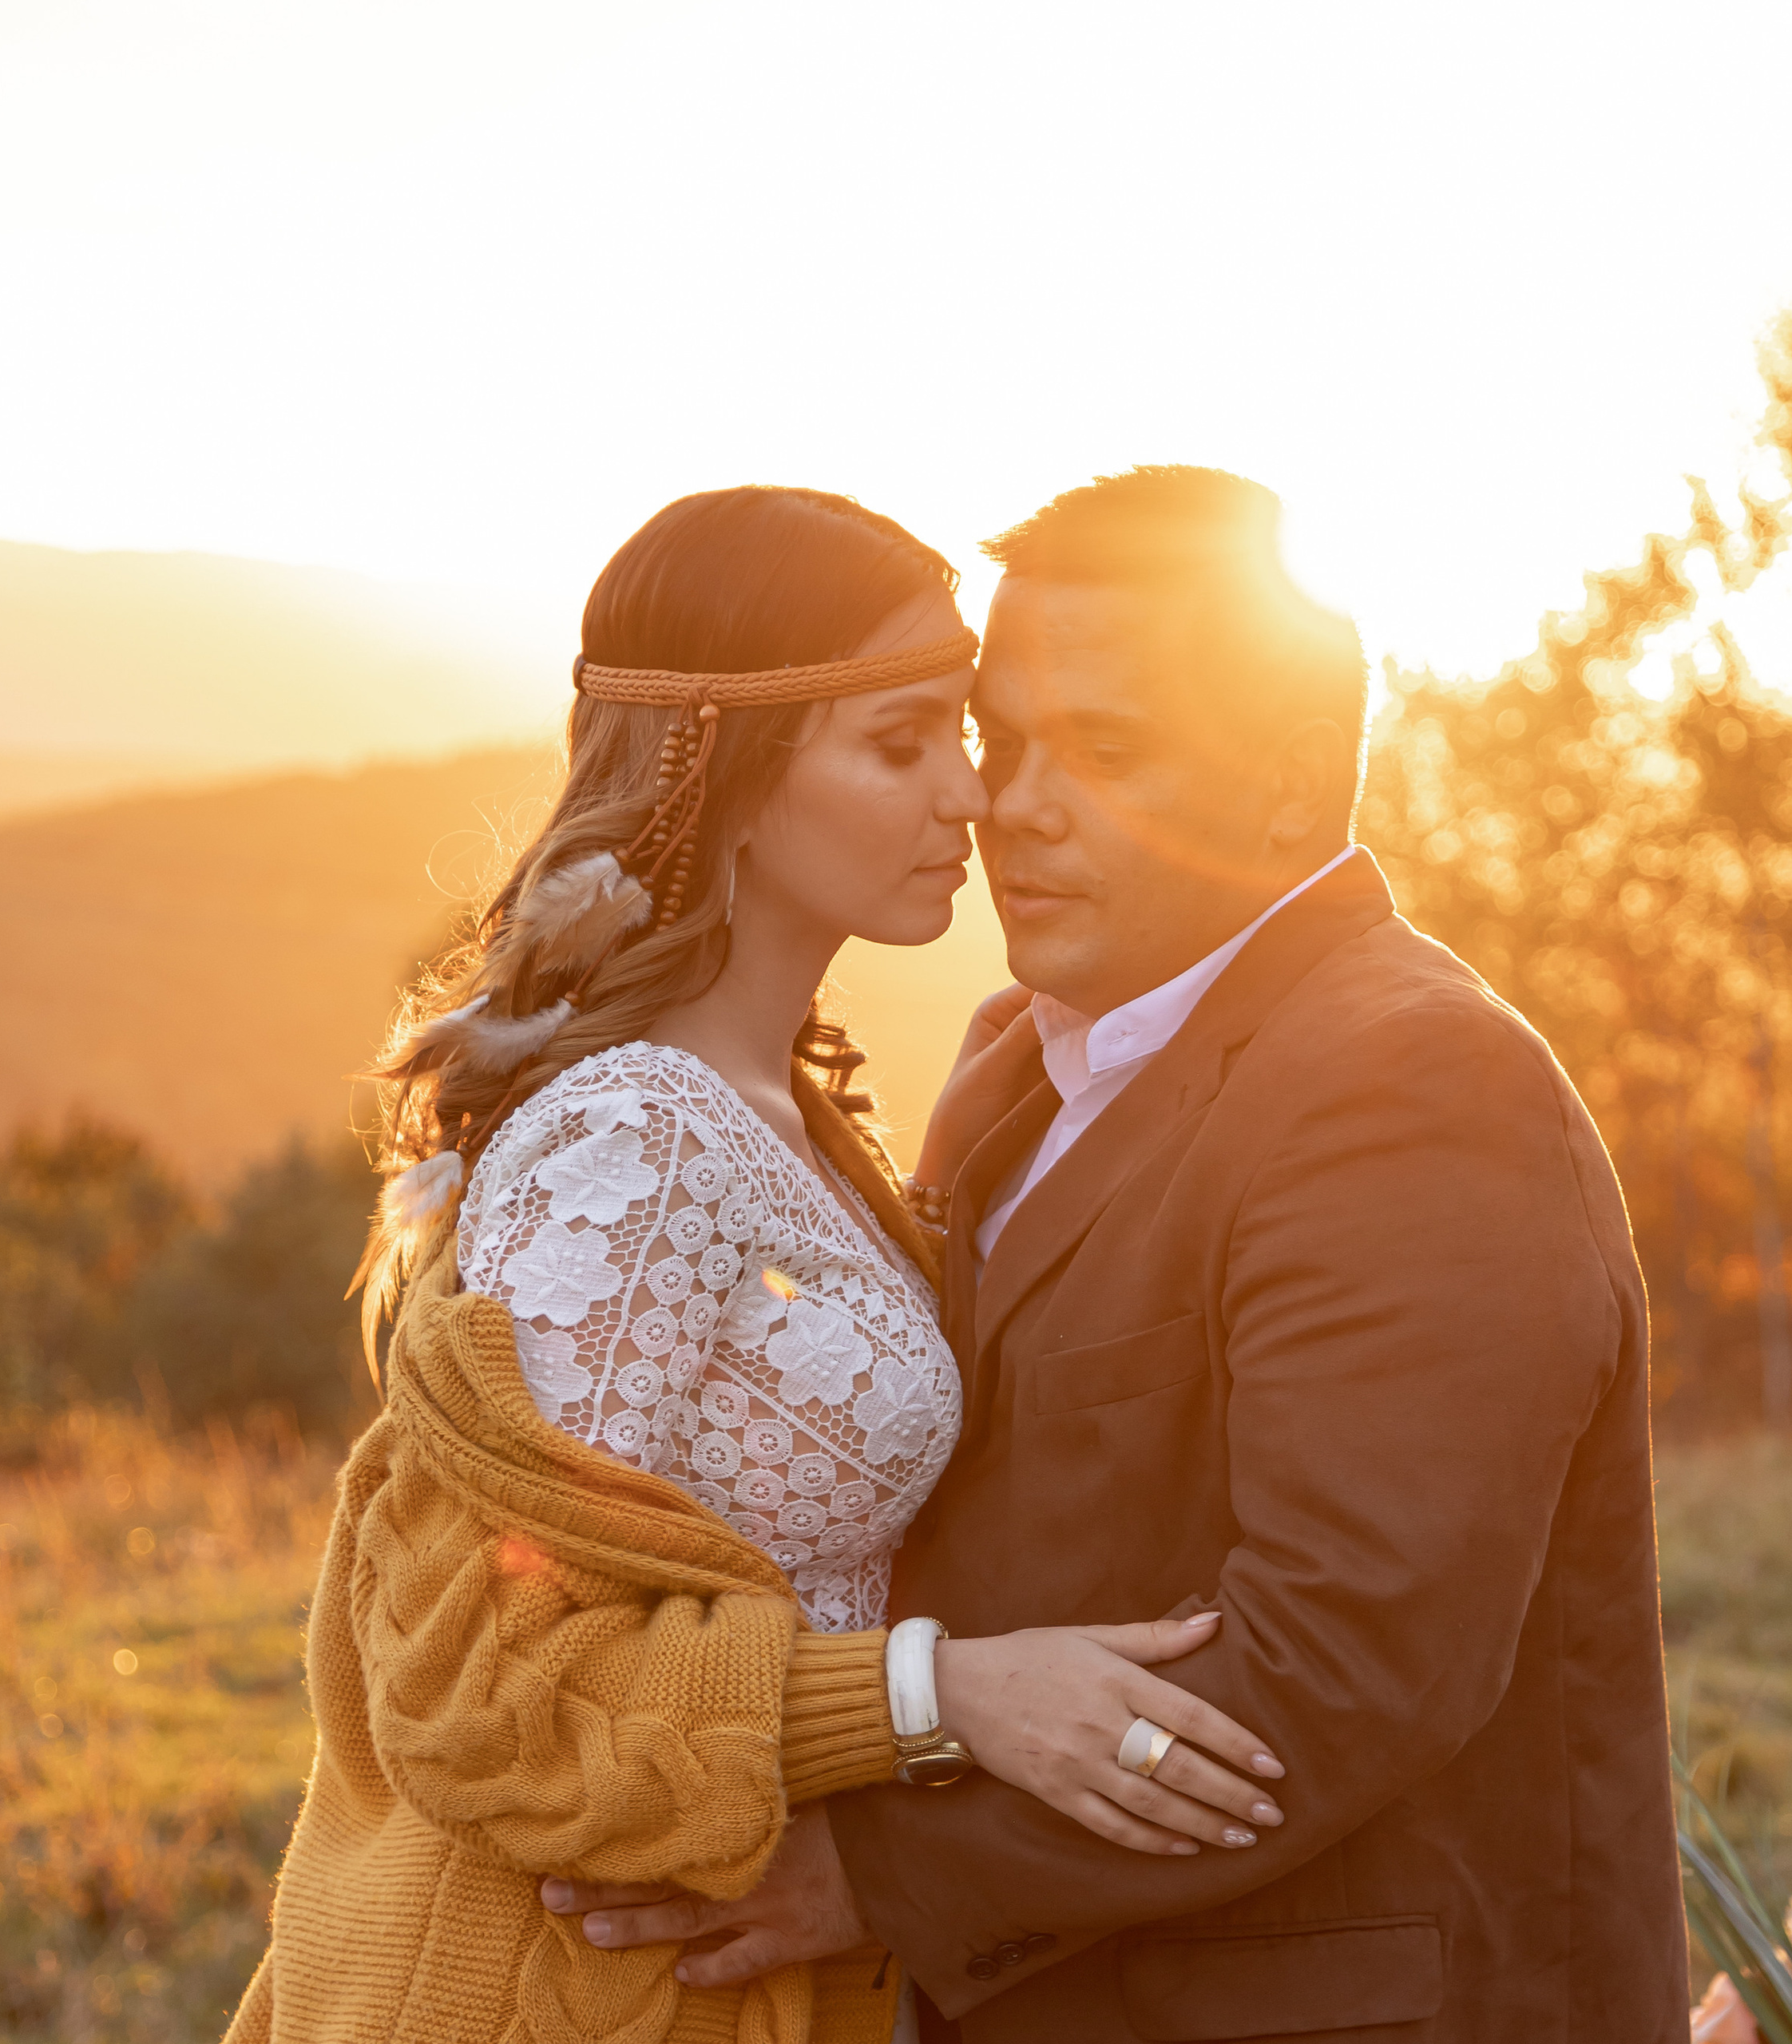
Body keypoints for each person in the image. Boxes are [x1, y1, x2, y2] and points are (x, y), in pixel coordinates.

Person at [544, 468, 1691, 2042]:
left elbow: (1340, 1662)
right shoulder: (1012, 1065)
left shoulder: (1413, 1086)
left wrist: (870, 1874)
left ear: (1289, 791)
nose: (1011, 803)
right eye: (998, 741)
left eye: (1105, 751)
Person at [225, 485, 1290, 2044]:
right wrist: (944, 1695)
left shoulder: (793, 1116)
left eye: (962, 737)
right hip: (567, 1984)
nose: (973, 799)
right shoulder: (634, 1139)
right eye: (901, 742)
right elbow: (493, 1682)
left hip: (743, 1970)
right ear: (730, 765)